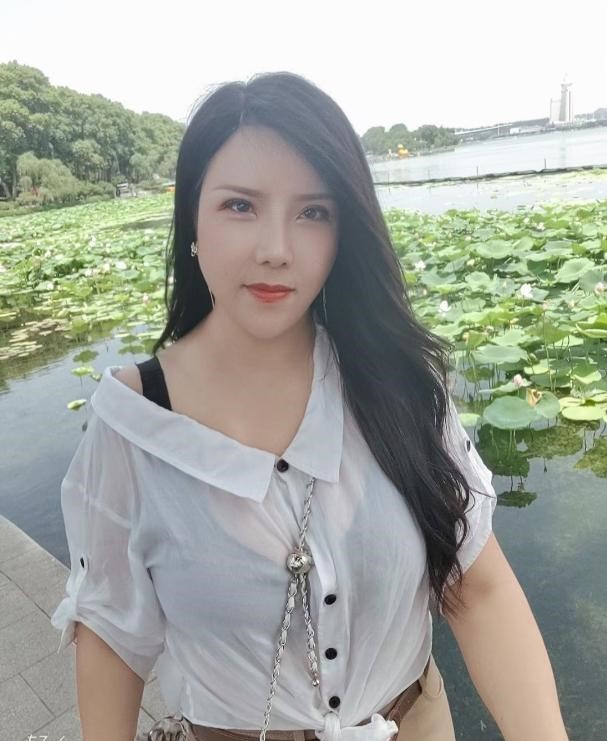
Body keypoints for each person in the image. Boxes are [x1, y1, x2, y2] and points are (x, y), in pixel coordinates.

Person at [50, 71, 569, 741]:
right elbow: (111, 635)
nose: (276, 249)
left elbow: (478, 588)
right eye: (240, 205)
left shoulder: (396, 384)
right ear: (193, 221)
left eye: (313, 212)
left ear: (341, 231)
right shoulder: (132, 425)